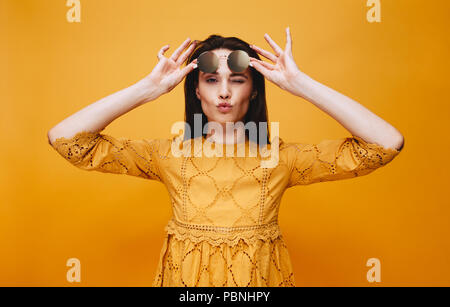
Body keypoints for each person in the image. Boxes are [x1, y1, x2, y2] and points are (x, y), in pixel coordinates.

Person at [47, 27, 404, 287]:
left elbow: (386, 143)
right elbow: (65, 139)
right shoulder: (170, 154)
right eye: (210, 80)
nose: (223, 93)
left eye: (237, 80)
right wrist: (146, 90)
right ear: (196, 89)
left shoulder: (279, 158)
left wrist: (302, 85)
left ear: (253, 88)